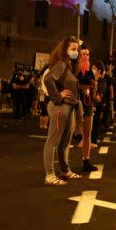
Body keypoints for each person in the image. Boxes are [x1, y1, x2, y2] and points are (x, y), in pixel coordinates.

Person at [42, 36, 82, 185]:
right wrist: (58, 97)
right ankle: (49, 175)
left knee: (64, 143)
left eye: (77, 49)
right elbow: (48, 79)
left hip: (68, 108)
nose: (76, 52)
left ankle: (64, 171)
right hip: (60, 107)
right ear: (64, 51)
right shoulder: (61, 64)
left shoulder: (68, 66)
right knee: (53, 142)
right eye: (73, 49)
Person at [76, 47, 98, 172]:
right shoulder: (74, 70)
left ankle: (86, 160)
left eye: (87, 54)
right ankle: (64, 164)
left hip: (88, 104)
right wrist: (83, 87)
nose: (85, 56)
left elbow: (93, 87)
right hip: (75, 103)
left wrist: (93, 89)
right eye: (83, 54)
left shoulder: (90, 72)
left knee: (87, 133)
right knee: (70, 133)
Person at [91, 60, 112, 146]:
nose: (92, 70)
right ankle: (92, 139)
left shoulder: (102, 81)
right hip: (93, 104)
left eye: (94, 68)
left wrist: (95, 98)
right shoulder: (93, 79)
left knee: (95, 122)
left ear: (99, 70)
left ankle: (93, 140)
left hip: (96, 105)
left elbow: (99, 96)